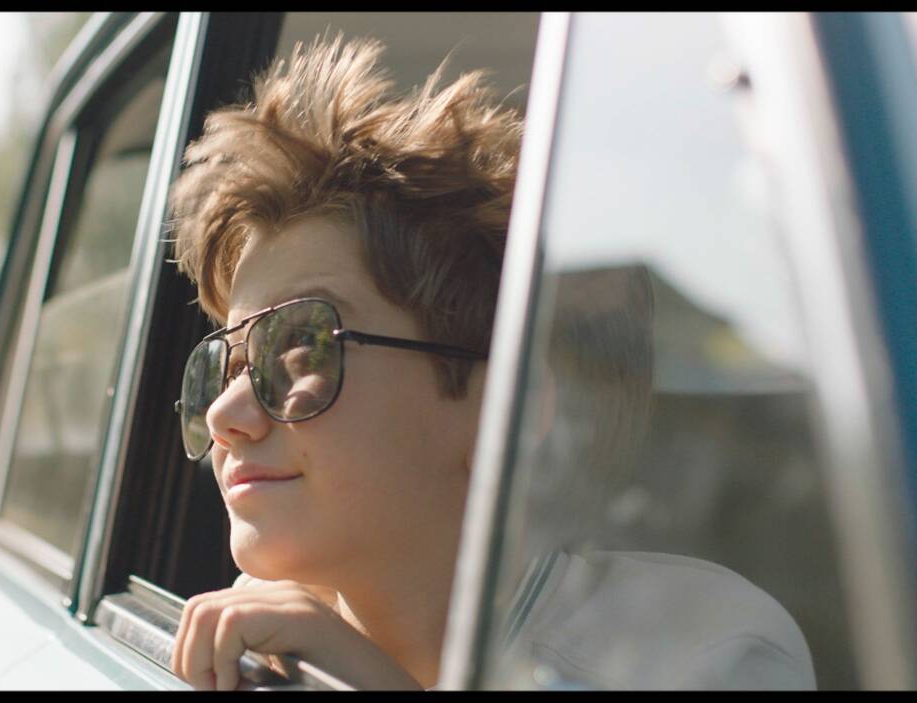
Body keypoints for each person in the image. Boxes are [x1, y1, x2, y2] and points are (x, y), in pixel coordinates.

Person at [163, 33, 813, 691]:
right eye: (225, 365)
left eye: (303, 349)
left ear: (510, 410)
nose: (223, 413)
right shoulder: (253, 636)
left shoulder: (704, 656)